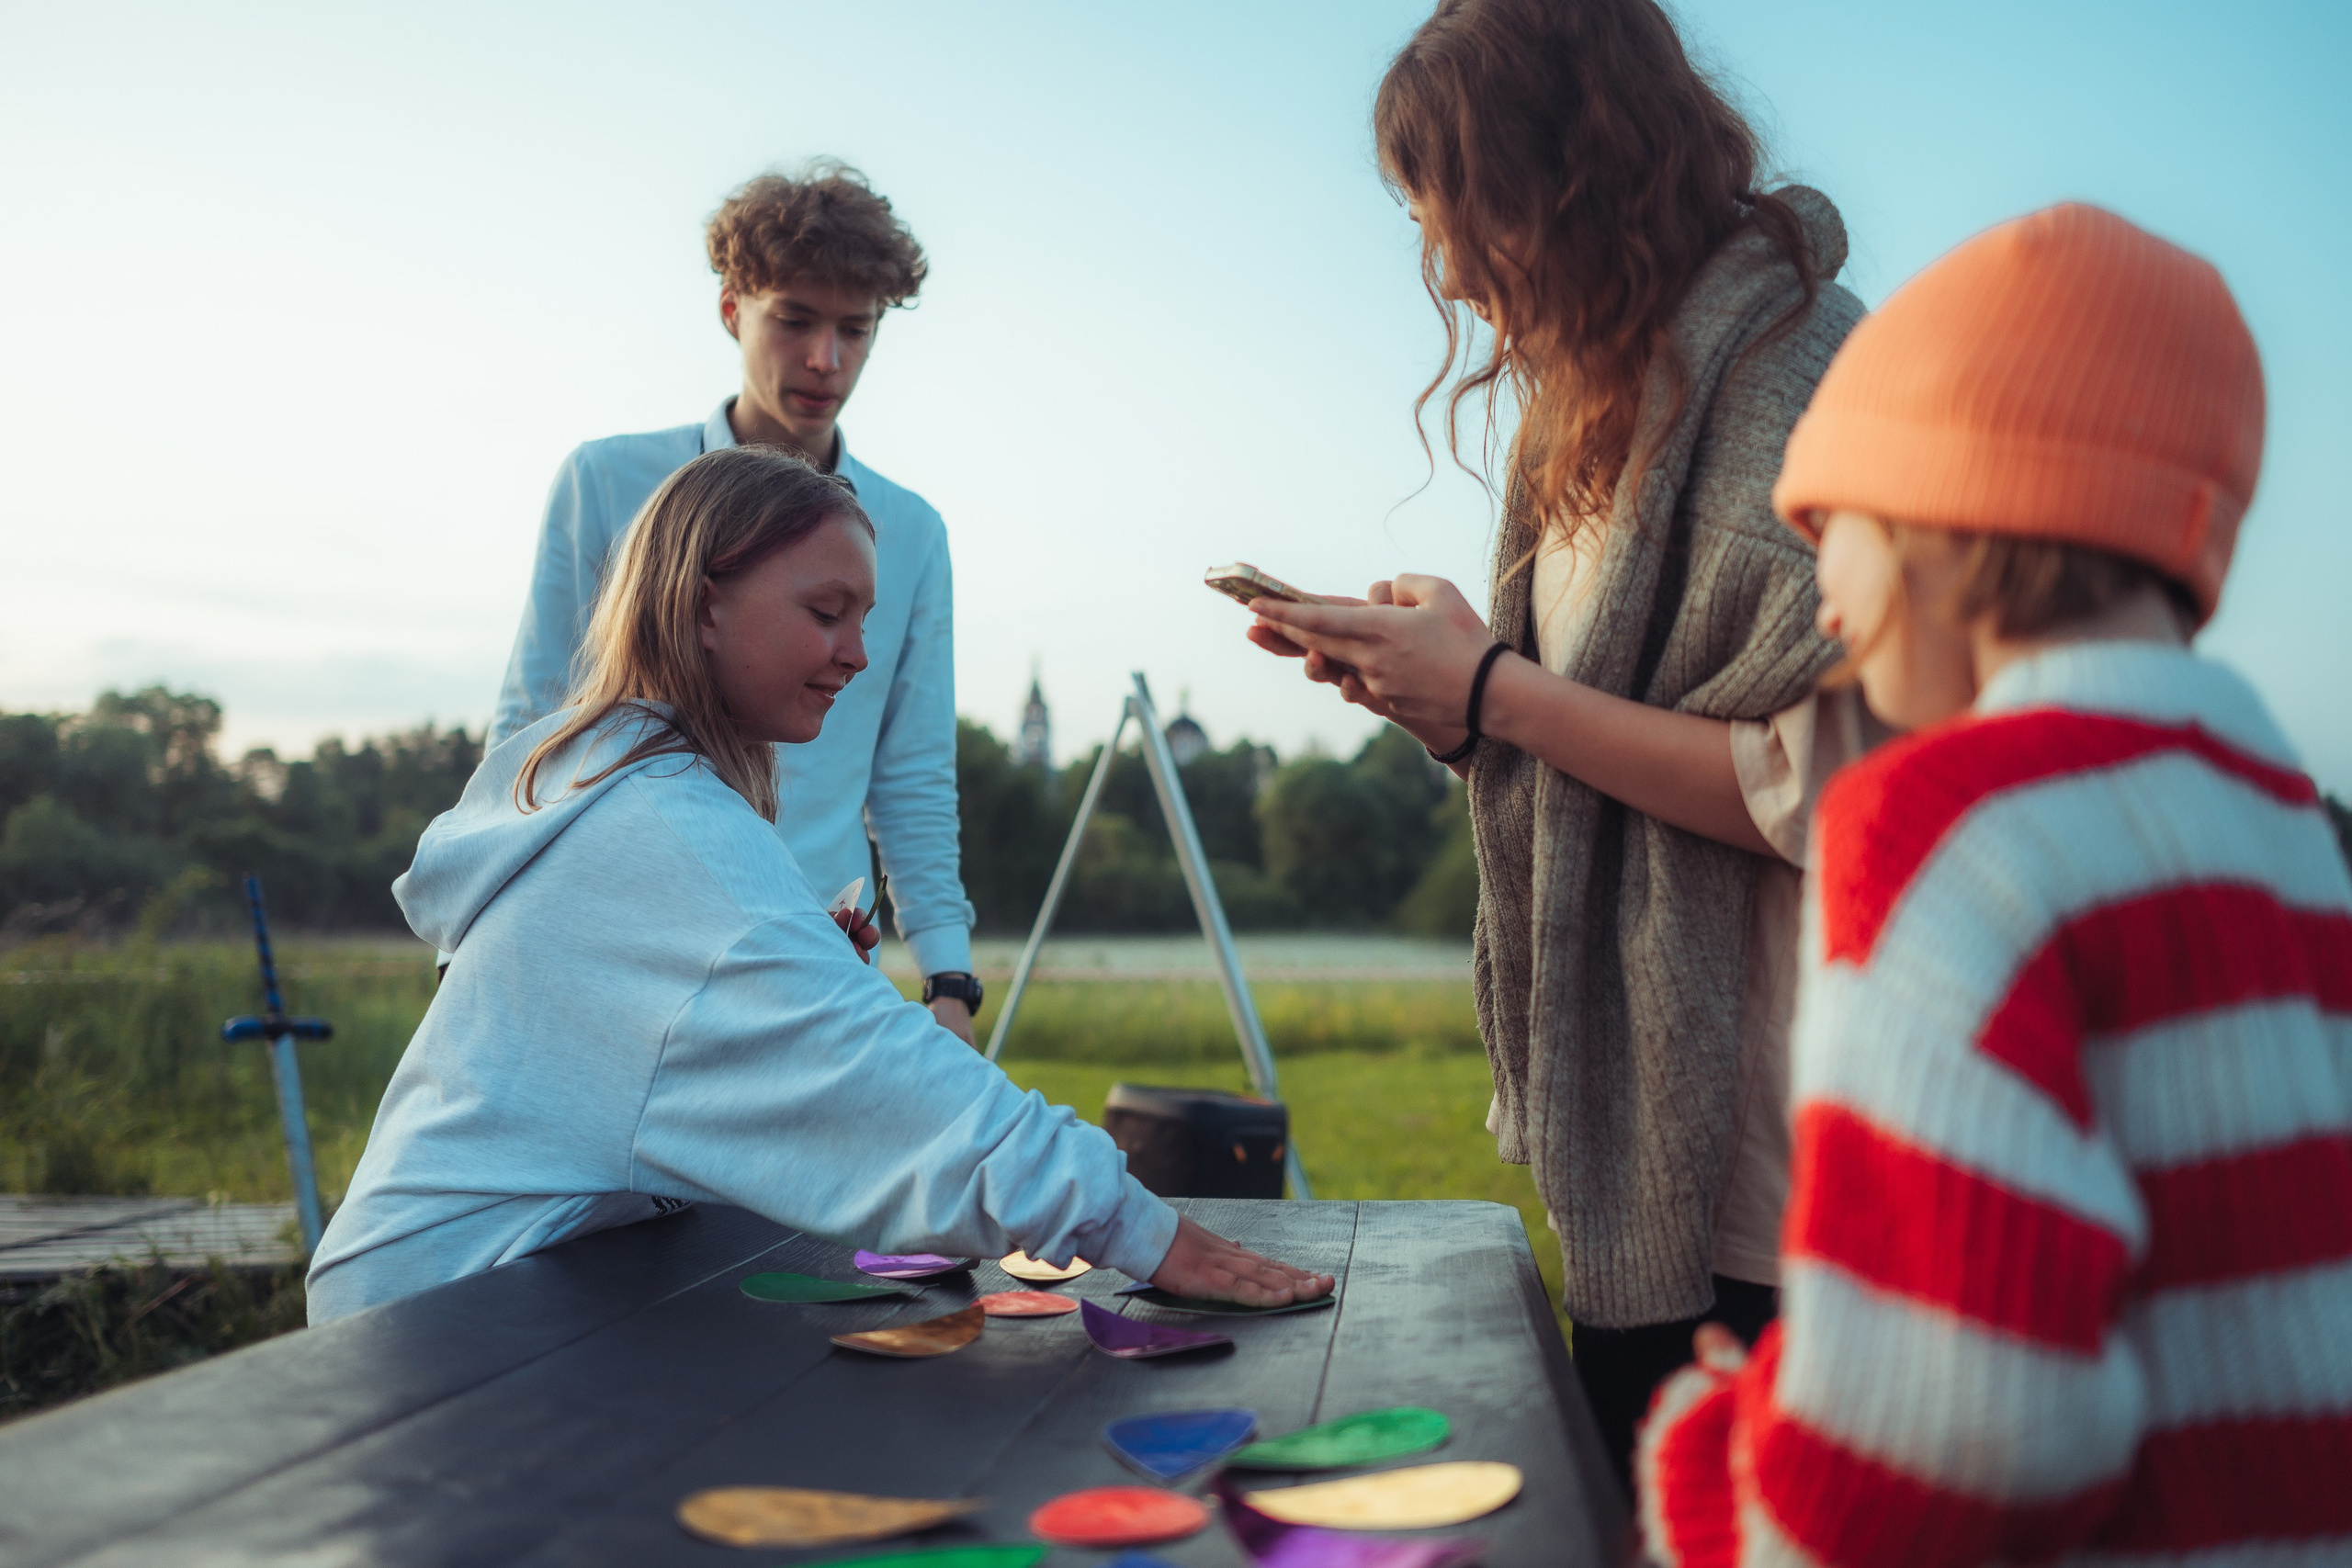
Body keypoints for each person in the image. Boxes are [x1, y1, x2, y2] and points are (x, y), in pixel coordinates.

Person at [1636, 206, 2352, 1563]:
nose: (1823, 597)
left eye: (1825, 518)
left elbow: (1959, 1425)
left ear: (1937, 511)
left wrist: (1718, 1471)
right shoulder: (2285, 824)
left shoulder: (1940, 826)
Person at [1244, 0, 1878, 1490]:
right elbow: (1582, 716)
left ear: (1584, 173)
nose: (1447, 269)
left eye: (1466, 213)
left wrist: (1496, 696)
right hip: (1656, 1121)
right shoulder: (1585, 404)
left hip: (1779, 1150)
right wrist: (1456, 682)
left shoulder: (1807, 381)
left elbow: (1829, 791)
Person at [310, 446, 1333, 1323]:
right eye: (826, 612)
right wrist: (1139, 1227)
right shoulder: (662, 831)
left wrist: (781, 980)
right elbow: (893, 1085)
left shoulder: (625, 796)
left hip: (519, 1283)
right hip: (443, 1324)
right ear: (706, 604)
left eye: (865, 618)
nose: (856, 654)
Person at [489, 162, 985, 1045]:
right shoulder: (607, 483)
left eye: (854, 330)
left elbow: (910, 775)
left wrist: (948, 976)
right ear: (732, 309)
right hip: (622, 955)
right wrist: (485, 928)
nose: (825, 359)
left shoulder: (911, 532)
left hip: (819, 963)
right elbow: (532, 728)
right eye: (794, 319)